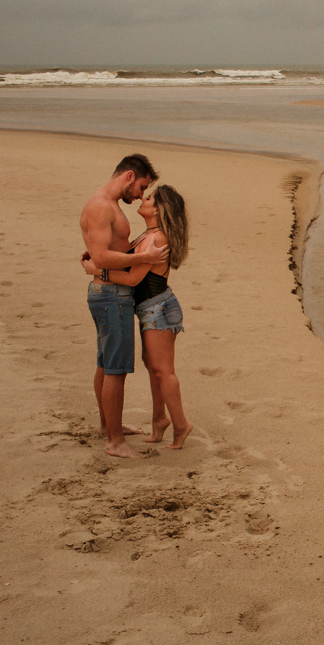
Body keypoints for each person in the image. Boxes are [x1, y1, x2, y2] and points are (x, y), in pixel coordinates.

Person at [83, 184, 193, 450]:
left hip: (159, 309)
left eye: (150, 197)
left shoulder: (157, 239)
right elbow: (123, 259)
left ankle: (181, 426)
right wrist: (98, 258)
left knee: (163, 371)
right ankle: (159, 421)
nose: (144, 198)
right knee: (153, 368)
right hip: (151, 309)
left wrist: (97, 273)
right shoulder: (150, 234)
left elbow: (133, 278)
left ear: (159, 209)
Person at [80, 154, 169, 459]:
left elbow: (99, 255)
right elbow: (102, 257)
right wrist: (142, 258)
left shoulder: (108, 206)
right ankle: (114, 441)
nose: (141, 194)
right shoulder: (101, 206)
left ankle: (108, 427)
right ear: (129, 176)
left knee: (106, 364)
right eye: (142, 186)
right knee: (116, 369)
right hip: (111, 296)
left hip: (108, 293)